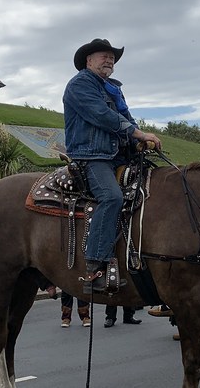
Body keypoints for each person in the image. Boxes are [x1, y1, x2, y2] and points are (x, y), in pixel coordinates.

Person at [63, 38, 161, 283]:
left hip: (118, 156)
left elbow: (126, 118)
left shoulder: (113, 89)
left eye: (112, 57)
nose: (109, 60)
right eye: (103, 56)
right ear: (89, 60)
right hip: (92, 156)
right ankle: (95, 264)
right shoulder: (80, 84)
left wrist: (139, 141)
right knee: (112, 197)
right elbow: (101, 115)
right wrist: (138, 133)